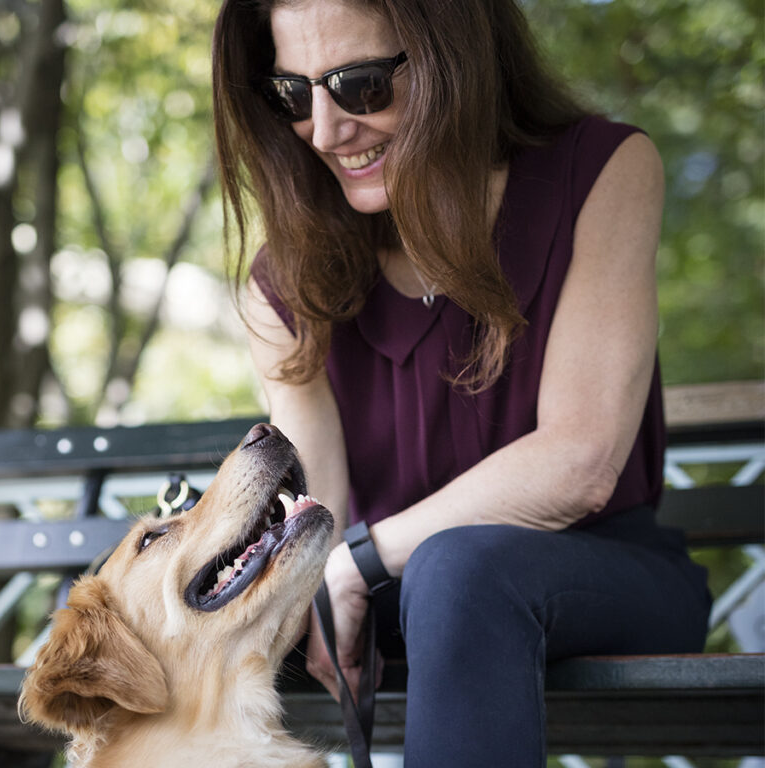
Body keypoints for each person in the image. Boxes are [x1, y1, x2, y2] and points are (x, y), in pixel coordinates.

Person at [211, 0, 713, 765]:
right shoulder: (285, 284)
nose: (326, 128)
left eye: (361, 85)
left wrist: (364, 560)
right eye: (293, 94)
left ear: (456, 57)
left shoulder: (601, 172)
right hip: (392, 609)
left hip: (609, 582)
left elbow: (580, 462)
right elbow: (323, 514)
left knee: (458, 566)